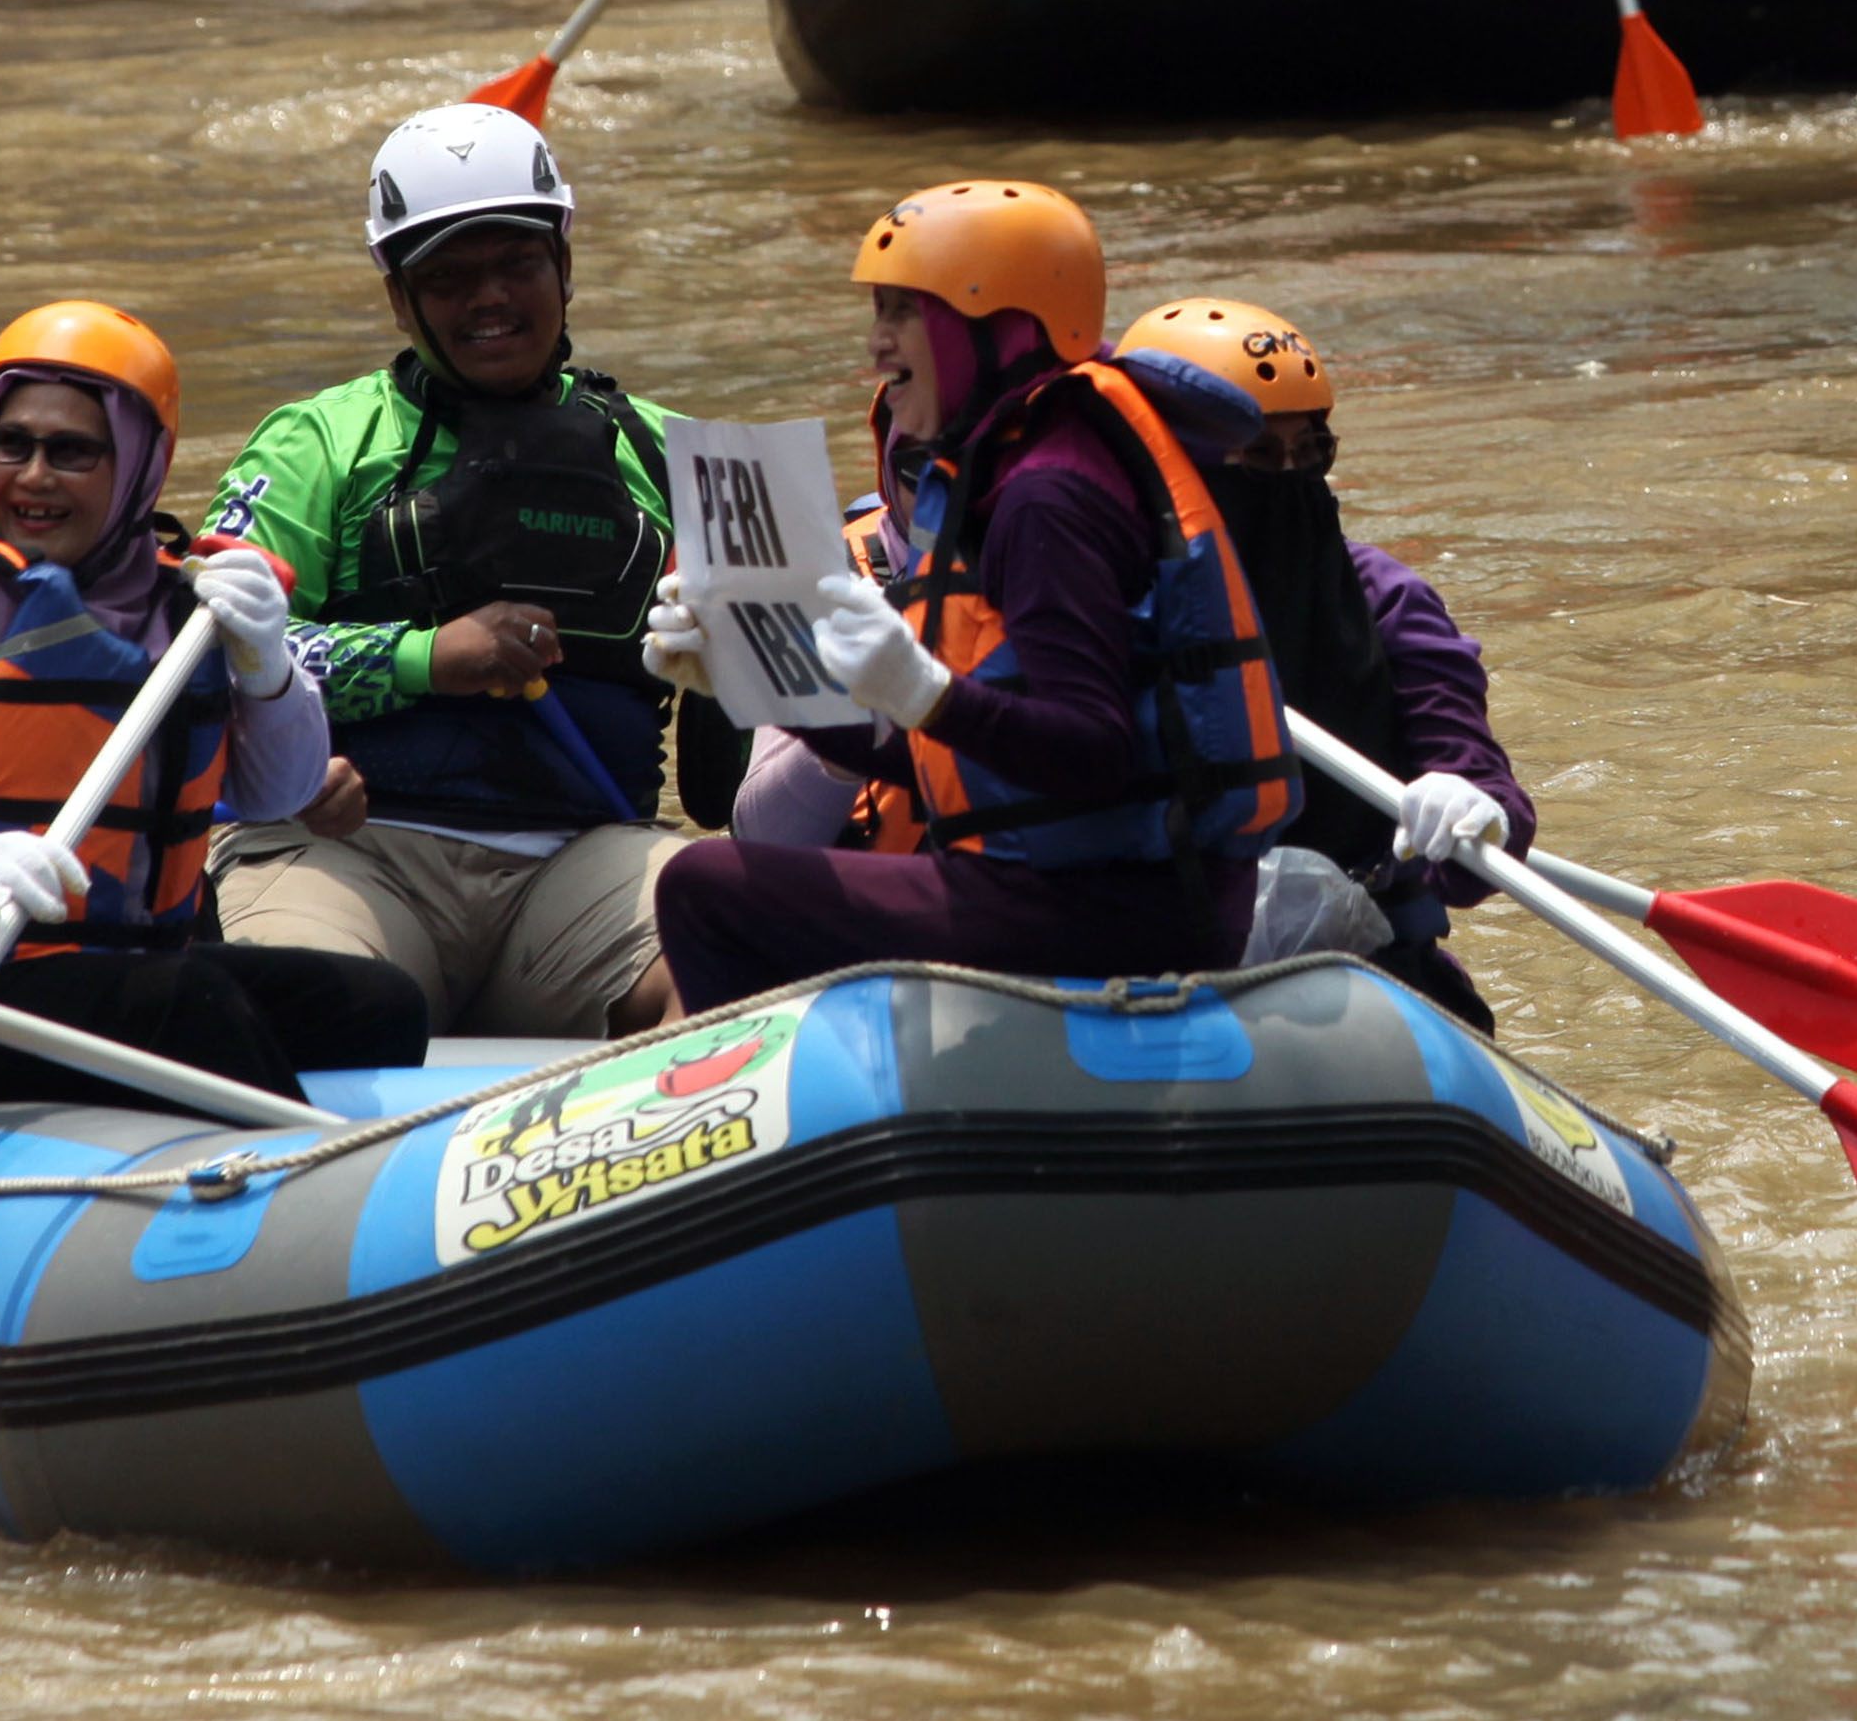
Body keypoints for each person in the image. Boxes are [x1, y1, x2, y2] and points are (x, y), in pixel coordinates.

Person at [644, 183, 1329, 1013]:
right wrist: (747, 677)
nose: (877, 345)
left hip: (1120, 912)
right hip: (1093, 887)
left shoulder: (1051, 494)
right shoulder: (1026, 464)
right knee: (721, 876)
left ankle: (743, 1117)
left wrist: (926, 695)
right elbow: (973, 769)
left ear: (1000, 330)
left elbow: (1090, 754)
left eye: (902, 314)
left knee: (701, 885)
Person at [0, 300, 420, 1112]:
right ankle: (295, 1183)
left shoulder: (178, 601)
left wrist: (267, 666)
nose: (34, 477)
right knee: (193, 1006)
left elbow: (280, 793)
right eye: (11, 446)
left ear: (141, 467)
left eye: (73, 452)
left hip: (100, 971)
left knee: (380, 1007)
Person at [207, 104, 727, 1040]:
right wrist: (427, 657)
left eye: (516, 264)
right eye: (448, 279)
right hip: (352, 851)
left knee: (737, 946)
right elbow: (205, 661)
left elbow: (753, 752)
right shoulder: (311, 443)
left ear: (563, 266)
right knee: (299, 1008)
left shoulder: (673, 454)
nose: (489, 297)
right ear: (400, 300)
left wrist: (737, 663)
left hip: (579, 863)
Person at [1116, 298, 1533, 1028]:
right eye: (1254, 457)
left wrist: (1477, 809)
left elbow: (1486, 791)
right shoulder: (1103, 604)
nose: (1287, 481)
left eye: (1308, 453)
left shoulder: (1382, 597)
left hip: (1359, 964)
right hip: (1149, 962)